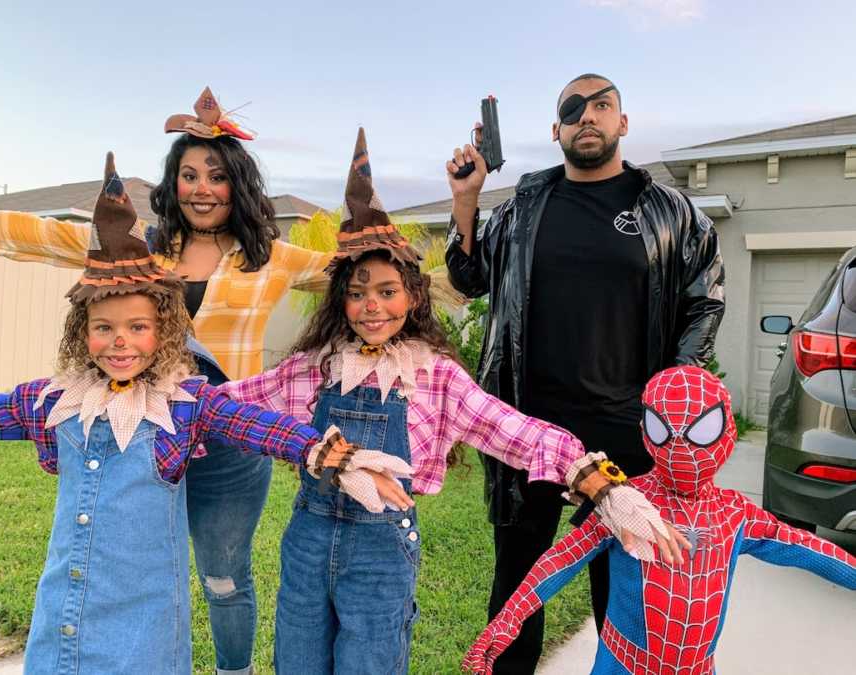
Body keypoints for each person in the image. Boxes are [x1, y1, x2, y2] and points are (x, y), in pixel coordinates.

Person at [221, 128, 681, 675]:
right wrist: (163, 395)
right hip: (305, 546)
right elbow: (230, 407)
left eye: (387, 290)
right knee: (296, 663)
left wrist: (598, 481)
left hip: (381, 555)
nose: (372, 307)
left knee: (369, 664)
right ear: (339, 298)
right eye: (357, 291)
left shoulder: (433, 378)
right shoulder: (313, 369)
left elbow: (511, 430)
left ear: (413, 295)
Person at [0, 154, 389, 675]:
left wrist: (329, 453)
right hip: (70, 610)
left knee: (223, 574)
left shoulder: (269, 261)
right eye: (189, 175)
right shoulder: (54, 402)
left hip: (218, 436)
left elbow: (261, 419)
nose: (120, 340)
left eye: (138, 327)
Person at [445, 72, 725, 672]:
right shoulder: (523, 204)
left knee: (624, 592)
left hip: (626, 433)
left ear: (622, 122)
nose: (587, 117)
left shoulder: (669, 211)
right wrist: (466, 198)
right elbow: (471, 279)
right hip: (528, 432)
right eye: (573, 110)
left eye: (602, 106)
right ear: (556, 131)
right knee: (517, 589)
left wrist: (673, 390)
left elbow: (704, 300)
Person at [463, 365, 856, 675]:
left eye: (700, 431)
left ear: (726, 431)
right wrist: (508, 618)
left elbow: (808, 548)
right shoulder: (625, 504)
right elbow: (563, 559)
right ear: (646, 431)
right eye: (664, 430)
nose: (681, 445)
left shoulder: (734, 513)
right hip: (621, 662)